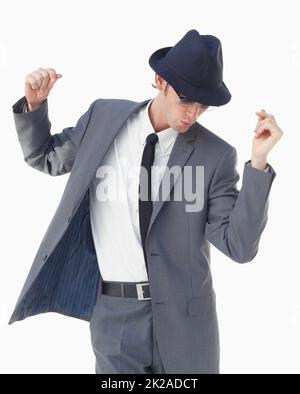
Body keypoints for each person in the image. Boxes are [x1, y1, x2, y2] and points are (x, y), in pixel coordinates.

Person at [9, 29, 283, 374]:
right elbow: (46, 157)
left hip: (186, 325)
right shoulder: (103, 119)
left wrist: (258, 163)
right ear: (159, 81)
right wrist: (34, 106)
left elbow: (239, 246)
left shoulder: (216, 155)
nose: (192, 113)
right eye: (186, 99)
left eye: (203, 105)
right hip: (114, 316)